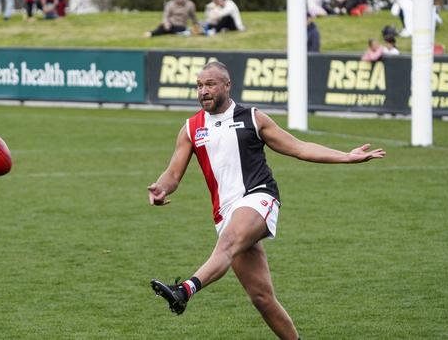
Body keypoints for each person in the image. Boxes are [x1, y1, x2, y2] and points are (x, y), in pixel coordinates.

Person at [148, 61, 385, 339]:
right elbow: (173, 173)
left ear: (227, 85)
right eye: (199, 85)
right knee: (262, 298)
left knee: (226, 244)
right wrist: (161, 188)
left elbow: (299, 147)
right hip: (225, 213)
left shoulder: (253, 117)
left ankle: (183, 290)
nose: (203, 91)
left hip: (259, 196)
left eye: (210, 84)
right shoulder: (191, 128)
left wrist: (345, 156)